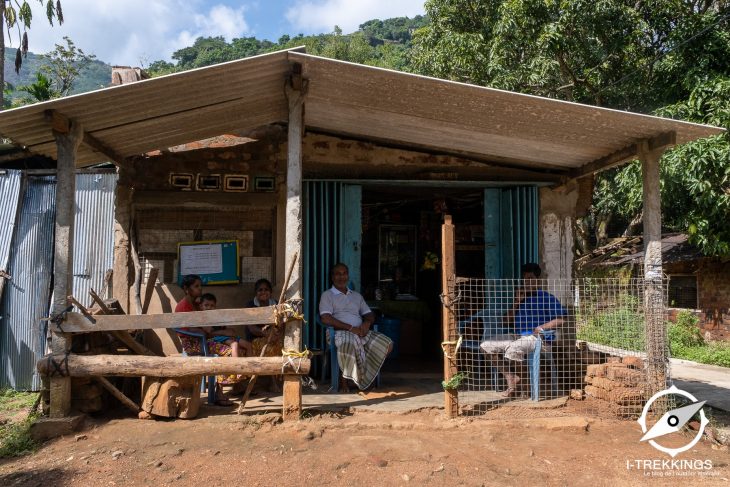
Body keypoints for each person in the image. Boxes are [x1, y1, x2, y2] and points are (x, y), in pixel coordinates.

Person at [479, 263, 566, 397]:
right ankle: (511, 378)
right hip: (519, 336)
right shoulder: (520, 298)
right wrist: (517, 302)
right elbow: (506, 321)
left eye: (531, 278)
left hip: (539, 339)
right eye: (525, 279)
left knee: (514, 349)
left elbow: (561, 319)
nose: (527, 282)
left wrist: (542, 327)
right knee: (485, 346)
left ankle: (526, 387)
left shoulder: (546, 297)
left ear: (538, 280)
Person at [319, 263, 393, 391]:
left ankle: (363, 377)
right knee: (348, 343)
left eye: (344, 273)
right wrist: (350, 328)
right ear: (332, 277)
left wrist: (366, 324)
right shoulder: (327, 295)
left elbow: (369, 314)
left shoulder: (356, 296)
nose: (341, 277)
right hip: (339, 332)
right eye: (338, 274)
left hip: (360, 331)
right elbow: (325, 318)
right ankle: (345, 381)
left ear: (348, 276)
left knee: (387, 344)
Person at [175, 275, 234, 405]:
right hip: (193, 344)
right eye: (196, 286)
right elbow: (185, 331)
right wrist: (204, 332)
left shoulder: (197, 304)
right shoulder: (183, 307)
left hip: (205, 340)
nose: (200, 289)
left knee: (236, 346)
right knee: (228, 352)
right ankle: (218, 393)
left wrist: (209, 332)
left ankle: (234, 385)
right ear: (186, 289)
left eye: (200, 286)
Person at [204, 293, 253, 357]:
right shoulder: (203, 318)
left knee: (248, 345)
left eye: (212, 306)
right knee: (234, 344)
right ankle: (235, 366)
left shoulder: (216, 317)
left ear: (215, 307)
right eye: (206, 305)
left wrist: (227, 332)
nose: (209, 308)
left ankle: (250, 366)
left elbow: (226, 329)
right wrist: (224, 332)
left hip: (225, 337)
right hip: (215, 339)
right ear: (201, 306)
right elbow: (209, 332)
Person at [244, 278, 282, 357]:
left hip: (273, 337)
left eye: (266, 289)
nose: (263, 292)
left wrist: (276, 335)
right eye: (260, 290)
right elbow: (252, 328)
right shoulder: (251, 305)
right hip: (255, 339)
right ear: (256, 293)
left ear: (270, 292)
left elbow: (281, 325)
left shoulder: (276, 304)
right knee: (269, 349)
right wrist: (267, 334)